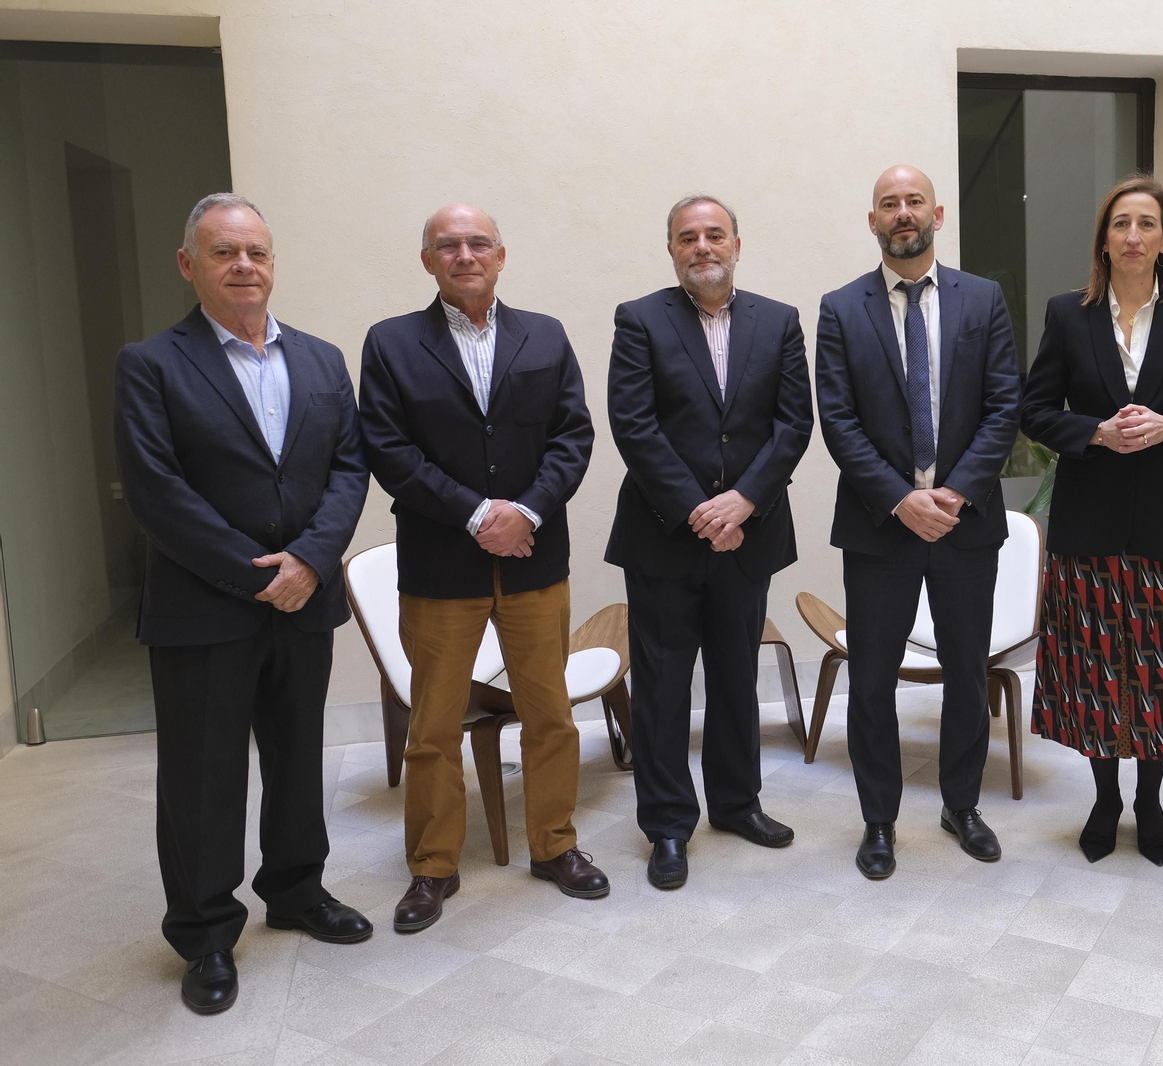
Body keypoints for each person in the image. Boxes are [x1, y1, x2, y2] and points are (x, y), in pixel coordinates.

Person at [113, 193, 372, 1015]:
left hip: (305, 601)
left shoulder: (325, 361)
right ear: (190, 265)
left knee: (300, 759)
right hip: (205, 608)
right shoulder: (151, 364)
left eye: (256, 251)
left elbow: (348, 470)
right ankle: (206, 933)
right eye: (224, 253)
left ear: (272, 261)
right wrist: (257, 572)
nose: (244, 266)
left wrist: (310, 560)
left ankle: (296, 891)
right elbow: (157, 491)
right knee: (202, 777)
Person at [360, 203, 604, 930]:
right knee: (433, 725)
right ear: (428, 260)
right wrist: (475, 515)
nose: (464, 255)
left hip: (535, 559)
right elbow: (388, 448)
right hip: (441, 563)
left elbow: (573, 435)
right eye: (448, 246)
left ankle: (554, 845)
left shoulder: (546, 336)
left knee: (550, 715)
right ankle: (432, 867)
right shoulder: (392, 344)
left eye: (477, 244)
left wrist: (523, 513)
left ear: (501, 256)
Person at [1020, 175, 1163, 867]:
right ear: (1104, 240)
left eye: (1147, 224)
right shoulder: (1067, 312)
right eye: (1121, 224)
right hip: (1090, 521)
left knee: (1162, 670)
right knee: (1097, 669)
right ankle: (1107, 797)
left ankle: (1149, 799)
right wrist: (1095, 433)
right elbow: (1035, 409)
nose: (1134, 236)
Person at [815, 165, 1021, 880]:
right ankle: (879, 819)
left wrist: (955, 495)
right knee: (872, 677)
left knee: (968, 671)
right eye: (887, 204)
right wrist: (901, 499)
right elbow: (837, 420)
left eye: (912, 202)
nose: (902, 213)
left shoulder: (984, 299)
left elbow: (1004, 407)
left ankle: (962, 804)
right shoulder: (841, 309)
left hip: (967, 525)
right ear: (871, 220)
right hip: (880, 526)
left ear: (937, 213)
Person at [605, 195, 813, 889]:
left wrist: (744, 502)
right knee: (662, 687)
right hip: (666, 534)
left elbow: (793, 424)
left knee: (735, 676)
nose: (702, 247)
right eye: (687, 237)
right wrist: (700, 509)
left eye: (714, 234)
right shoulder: (640, 320)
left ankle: (735, 803)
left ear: (737, 243)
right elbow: (634, 425)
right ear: (671, 249)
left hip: (749, 535)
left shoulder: (778, 321)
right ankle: (667, 825)